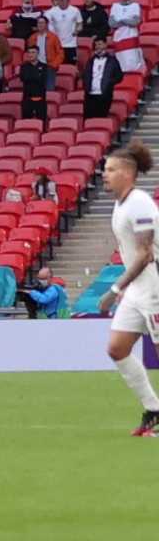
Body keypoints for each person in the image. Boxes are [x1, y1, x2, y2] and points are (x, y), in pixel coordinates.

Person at [93, 144, 159, 435]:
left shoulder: (140, 203)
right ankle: (154, 408)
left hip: (154, 285)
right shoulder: (121, 203)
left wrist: (115, 288)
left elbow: (146, 254)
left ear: (128, 173)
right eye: (105, 169)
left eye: (111, 170)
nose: (104, 175)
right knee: (117, 348)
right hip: (138, 289)